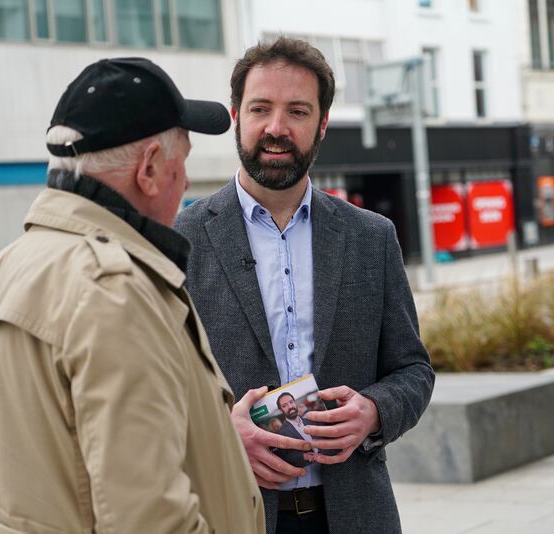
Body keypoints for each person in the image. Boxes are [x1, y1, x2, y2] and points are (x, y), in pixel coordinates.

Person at [0, 58, 265, 534]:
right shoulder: (115, 293)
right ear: (150, 170)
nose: (183, 185)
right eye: (182, 165)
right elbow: (150, 518)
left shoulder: (2, 271)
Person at [174, 37, 435, 534]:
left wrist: (375, 411)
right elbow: (152, 392)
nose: (276, 127)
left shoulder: (371, 237)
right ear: (236, 115)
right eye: (260, 108)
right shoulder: (182, 241)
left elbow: (413, 370)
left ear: (322, 124)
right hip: (233, 512)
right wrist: (219, 437)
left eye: (297, 110)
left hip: (356, 514)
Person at [273, 392, 319, 468]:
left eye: (291, 402)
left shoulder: (310, 420)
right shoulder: (281, 433)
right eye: (285, 406)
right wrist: (303, 456)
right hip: (308, 467)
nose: (290, 406)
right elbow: (285, 457)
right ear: (281, 410)